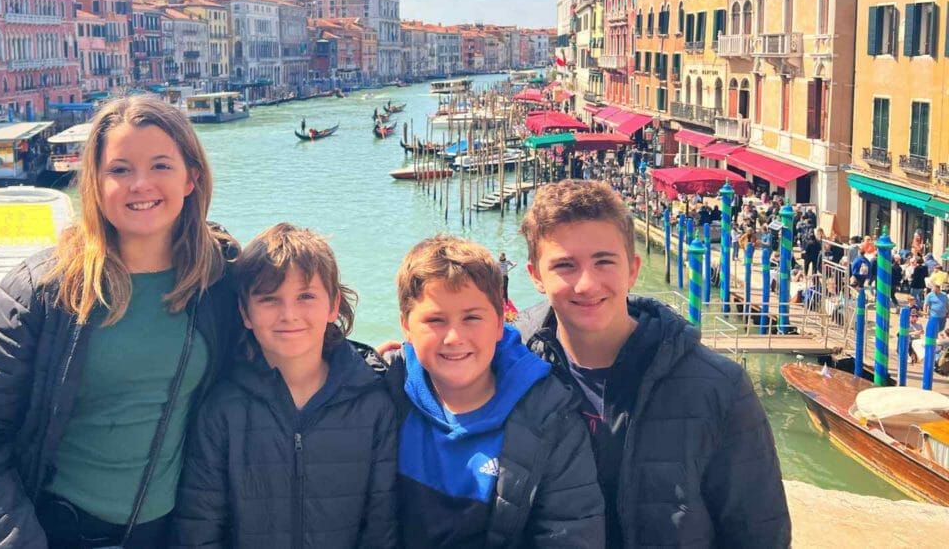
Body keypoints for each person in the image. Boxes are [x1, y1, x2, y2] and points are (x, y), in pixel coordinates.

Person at [0, 95, 241, 549]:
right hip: (58, 532)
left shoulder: (220, 280)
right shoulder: (42, 289)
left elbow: (291, 336)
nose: (140, 184)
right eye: (119, 169)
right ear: (95, 181)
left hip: (174, 534)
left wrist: (376, 364)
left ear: (191, 177)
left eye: (160, 166)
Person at [515, 180, 790, 548]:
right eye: (565, 265)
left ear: (632, 269)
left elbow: (757, 533)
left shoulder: (720, 387)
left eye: (604, 262)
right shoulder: (508, 372)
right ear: (535, 276)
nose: (586, 283)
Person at [172, 223, 397, 548]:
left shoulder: (372, 401)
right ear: (245, 313)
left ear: (333, 305)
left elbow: (381, 527)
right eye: (269, 299)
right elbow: (199, 526)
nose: (289, 314)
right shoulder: (223, 408)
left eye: (305, 296)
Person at [387, 235, 604, 548]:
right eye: (435, 320)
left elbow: (572, 533)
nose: (454, 337)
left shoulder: (549, 415)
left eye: (472, 318)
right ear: (406, 327)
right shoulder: (385, 390)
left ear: (501, 323)